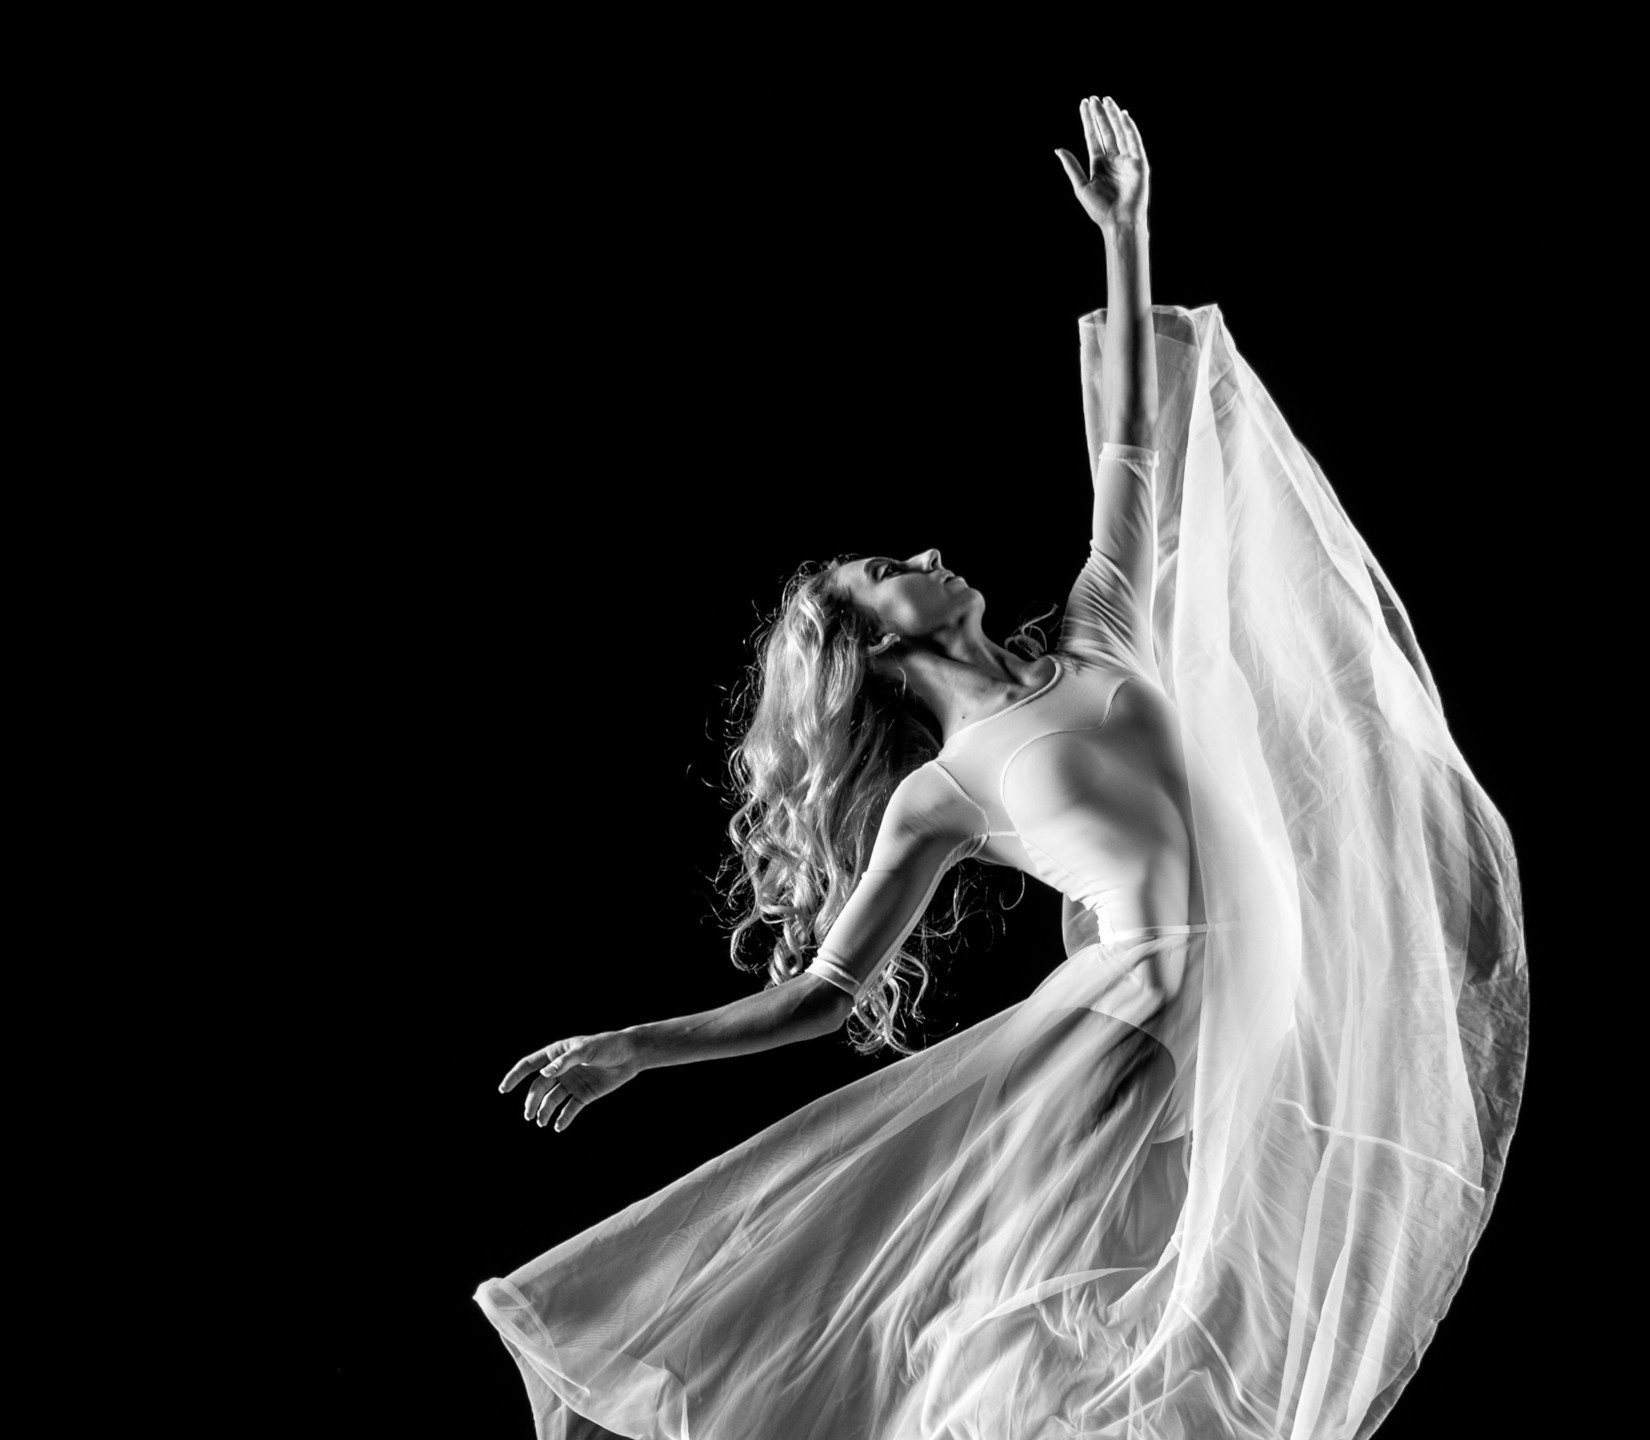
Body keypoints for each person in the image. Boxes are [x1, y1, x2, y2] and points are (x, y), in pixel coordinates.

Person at [480, 96, 1529, 1440]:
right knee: (1031, 1324)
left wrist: (1126, 234)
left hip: (1244, 1012)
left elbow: (1131, 443)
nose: (925, 553)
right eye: (891, 568)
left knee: (1161, 1322)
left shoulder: (1100, 631)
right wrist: (639, 1045)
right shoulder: (945, 792)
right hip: (1137, 1011)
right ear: (869, 647)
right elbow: (822, 997)